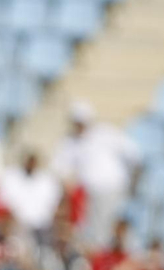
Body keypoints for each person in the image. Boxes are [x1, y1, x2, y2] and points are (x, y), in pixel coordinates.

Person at [50, 102, 142, 250]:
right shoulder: (71, 141)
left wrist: (133, 182)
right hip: (90, 193)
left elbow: (133, 154)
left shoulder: (105, 133)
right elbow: (60, 168)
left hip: (112, 188)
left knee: (110, 226)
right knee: (95, 229)